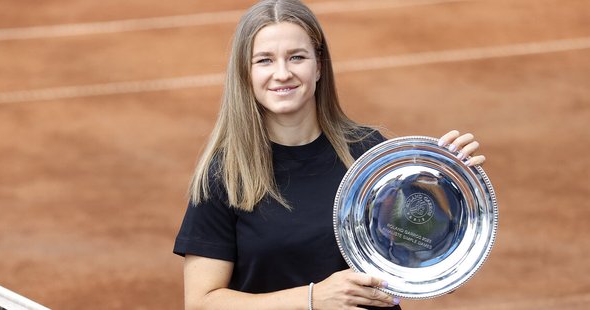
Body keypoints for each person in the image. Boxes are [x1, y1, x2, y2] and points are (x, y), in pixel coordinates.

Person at [173, 0, 486, 309]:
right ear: (246, 72)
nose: (282, 73)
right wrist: (313, 299)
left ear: (319, 65)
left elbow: (431, 268)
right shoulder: (225, 173)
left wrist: (449, 180)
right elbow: (202, 302)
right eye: (265, 60)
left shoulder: (369, 154)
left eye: (296, 57)